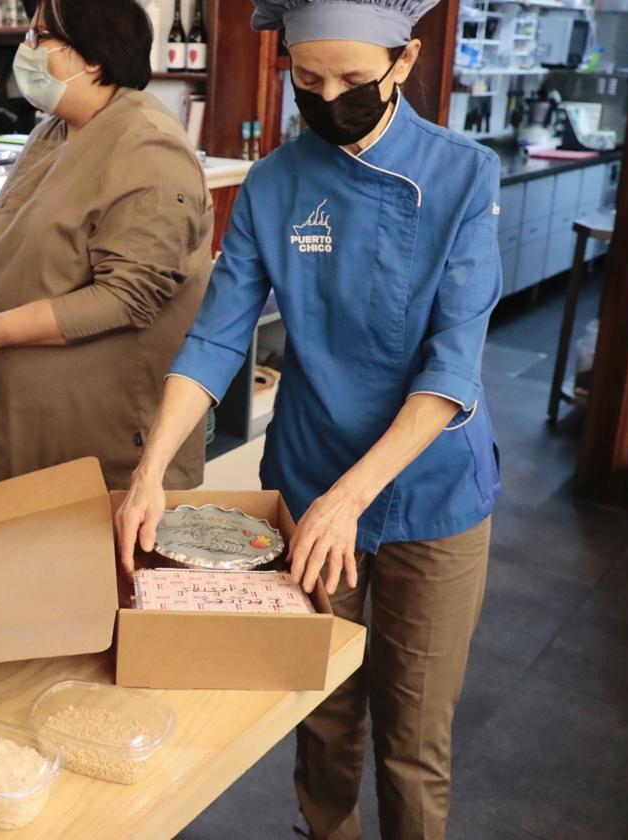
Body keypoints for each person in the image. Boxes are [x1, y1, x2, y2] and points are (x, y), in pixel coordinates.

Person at [116, 1, 502, 838]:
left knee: (412, 738)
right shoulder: (275, 182)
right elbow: (217, 337)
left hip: (430, 491)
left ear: (405, 61)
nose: (331, 99)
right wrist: (150, 472)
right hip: (308, 470)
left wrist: (349, 499)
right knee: (320, 712)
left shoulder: (464, 176)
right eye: (309, 80)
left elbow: (451, 366)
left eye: (356, 79)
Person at [0, 0, 213, 491]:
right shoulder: (54, 131)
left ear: (93, 56)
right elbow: (53, 247)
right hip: (24, 417)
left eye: (40, 37)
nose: (26, 49)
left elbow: (127, 296)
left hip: (99, 435)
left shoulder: (148, 148)